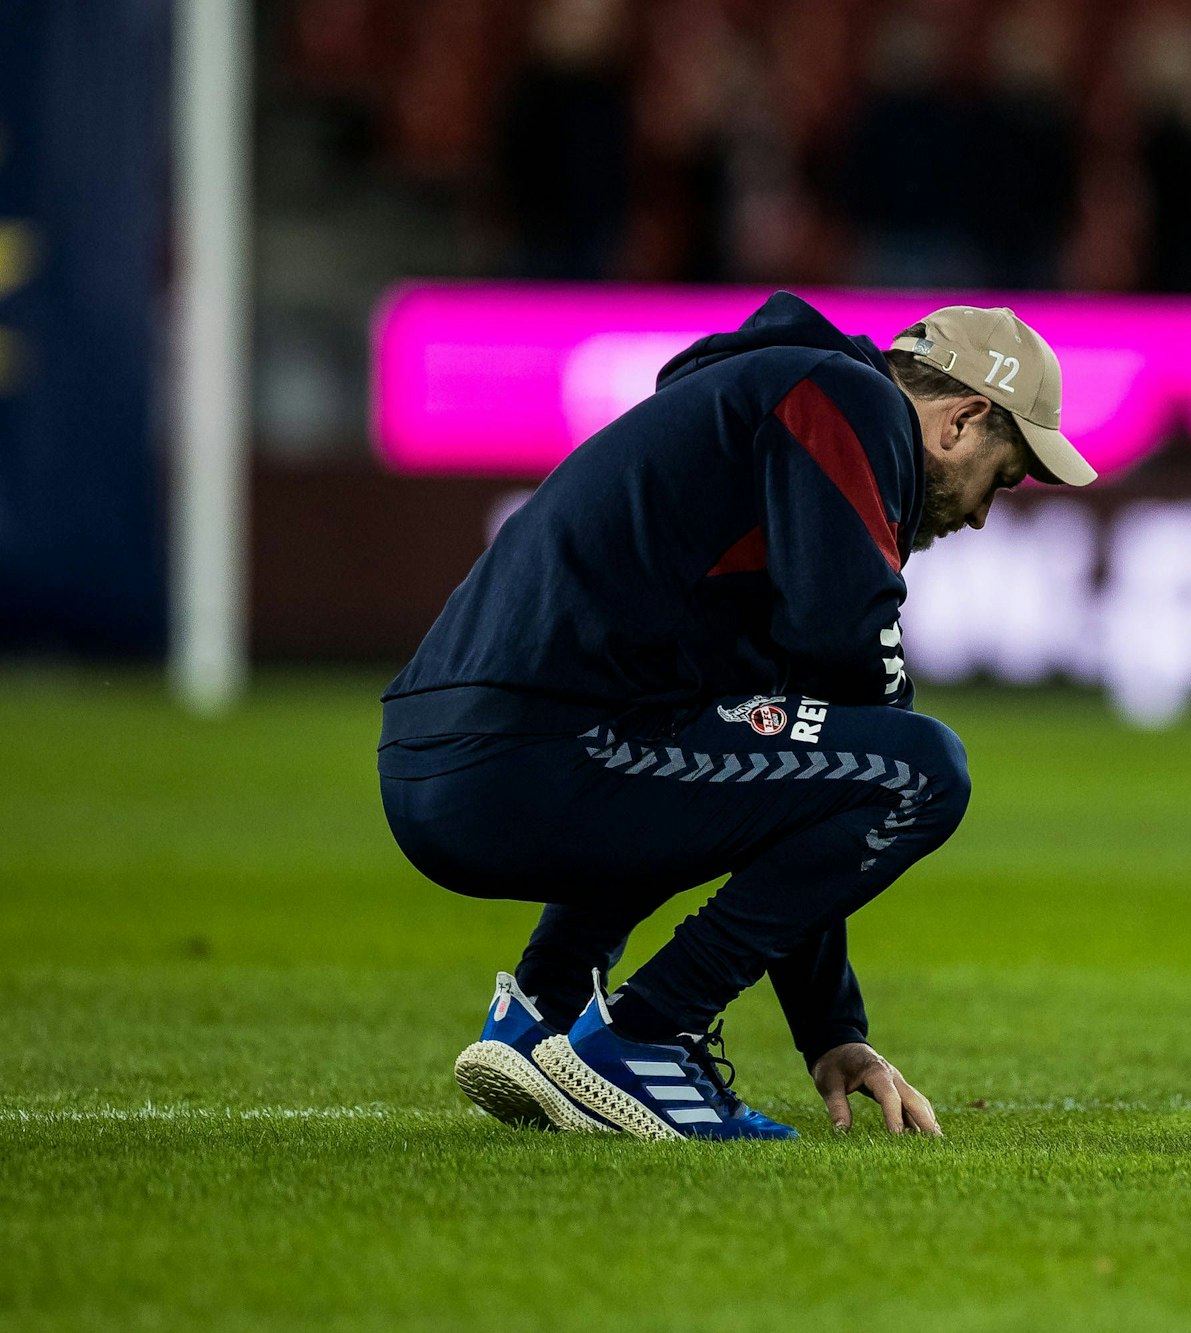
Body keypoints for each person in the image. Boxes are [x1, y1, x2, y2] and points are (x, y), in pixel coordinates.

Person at [377, 293, 1095, 1141]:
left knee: (732, 755)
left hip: (442, 760)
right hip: (533, 754)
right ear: (962, 421)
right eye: (1001, 478)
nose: (980, 513)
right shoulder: (847, 398)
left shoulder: (761, 416)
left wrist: (831, 1027)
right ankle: (645, 1033)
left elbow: (789, 783)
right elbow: (850, 670)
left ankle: (542, 1015)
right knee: (924, 767)